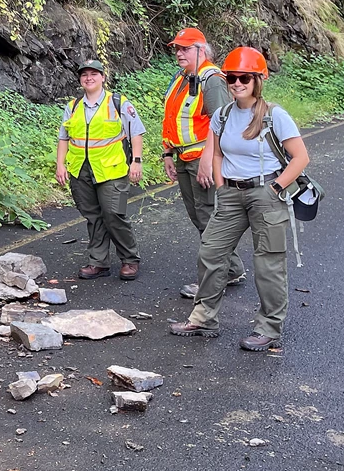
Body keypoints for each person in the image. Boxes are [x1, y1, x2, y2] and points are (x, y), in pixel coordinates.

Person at [169, 47, 310, 351]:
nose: (236, 83)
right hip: (231, 194)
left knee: (268, 264)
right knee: (210, 252)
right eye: (231, 77)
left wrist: (275, 188)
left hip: (265, 193)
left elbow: (300, 157)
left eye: (244, 77)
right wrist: (221, 187)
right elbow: (217, 153)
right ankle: (204, 317)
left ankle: (269, 329)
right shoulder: (223, 114)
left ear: (259, 79)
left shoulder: (275, 115)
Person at [161, 27, 247, 298]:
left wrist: (210, 161)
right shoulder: (183, 77)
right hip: (184, 158)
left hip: (201, 160)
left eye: (185, 48)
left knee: (209, 217)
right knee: (201, 217)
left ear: (201, 50)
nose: (179, 53)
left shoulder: (211, 80)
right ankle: (231, 269)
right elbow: (174, 119)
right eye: (177, 48)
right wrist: (167, 154)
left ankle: (214, 278)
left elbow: (222, 123)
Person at [56, 59, 145, 280]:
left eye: (94, 73)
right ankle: (98, 262)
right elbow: (63, 138)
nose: (89, 78)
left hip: (113, 171)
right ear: (80, 79)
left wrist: (136, 161)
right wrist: (60, 165)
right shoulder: (73, 106)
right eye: (84, 74)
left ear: (103, 77)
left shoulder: (118, 102)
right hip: (80, 170)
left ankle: (130, 259)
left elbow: (136, 132)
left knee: (115, 214)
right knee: (93, 216)